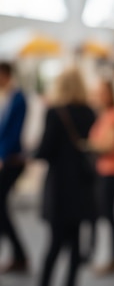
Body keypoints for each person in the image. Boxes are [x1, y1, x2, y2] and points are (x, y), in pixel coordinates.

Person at [34, 67, 97, 286]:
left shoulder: (55, 112)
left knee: (54, 243)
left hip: (60, 185)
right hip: (83, 183)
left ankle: (44, 282)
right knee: (76, 241)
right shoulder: (90, 112)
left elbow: (44, 151)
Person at [88, 79, 114, 275]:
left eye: (101, 92)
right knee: (105, 215)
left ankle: (112, 257)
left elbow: (110, 146)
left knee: (108, 216)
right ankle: (109, 256)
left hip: (111, 172)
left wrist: (87, 145)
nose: (98, 96)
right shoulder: (103, 115)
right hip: (103, 170)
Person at [0, 61, 29, 274]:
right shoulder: (5, 96)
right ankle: (18, 255)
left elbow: (14, 133)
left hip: (11, 160)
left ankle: (19, 255)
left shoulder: (18, 98)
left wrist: (2, 156)